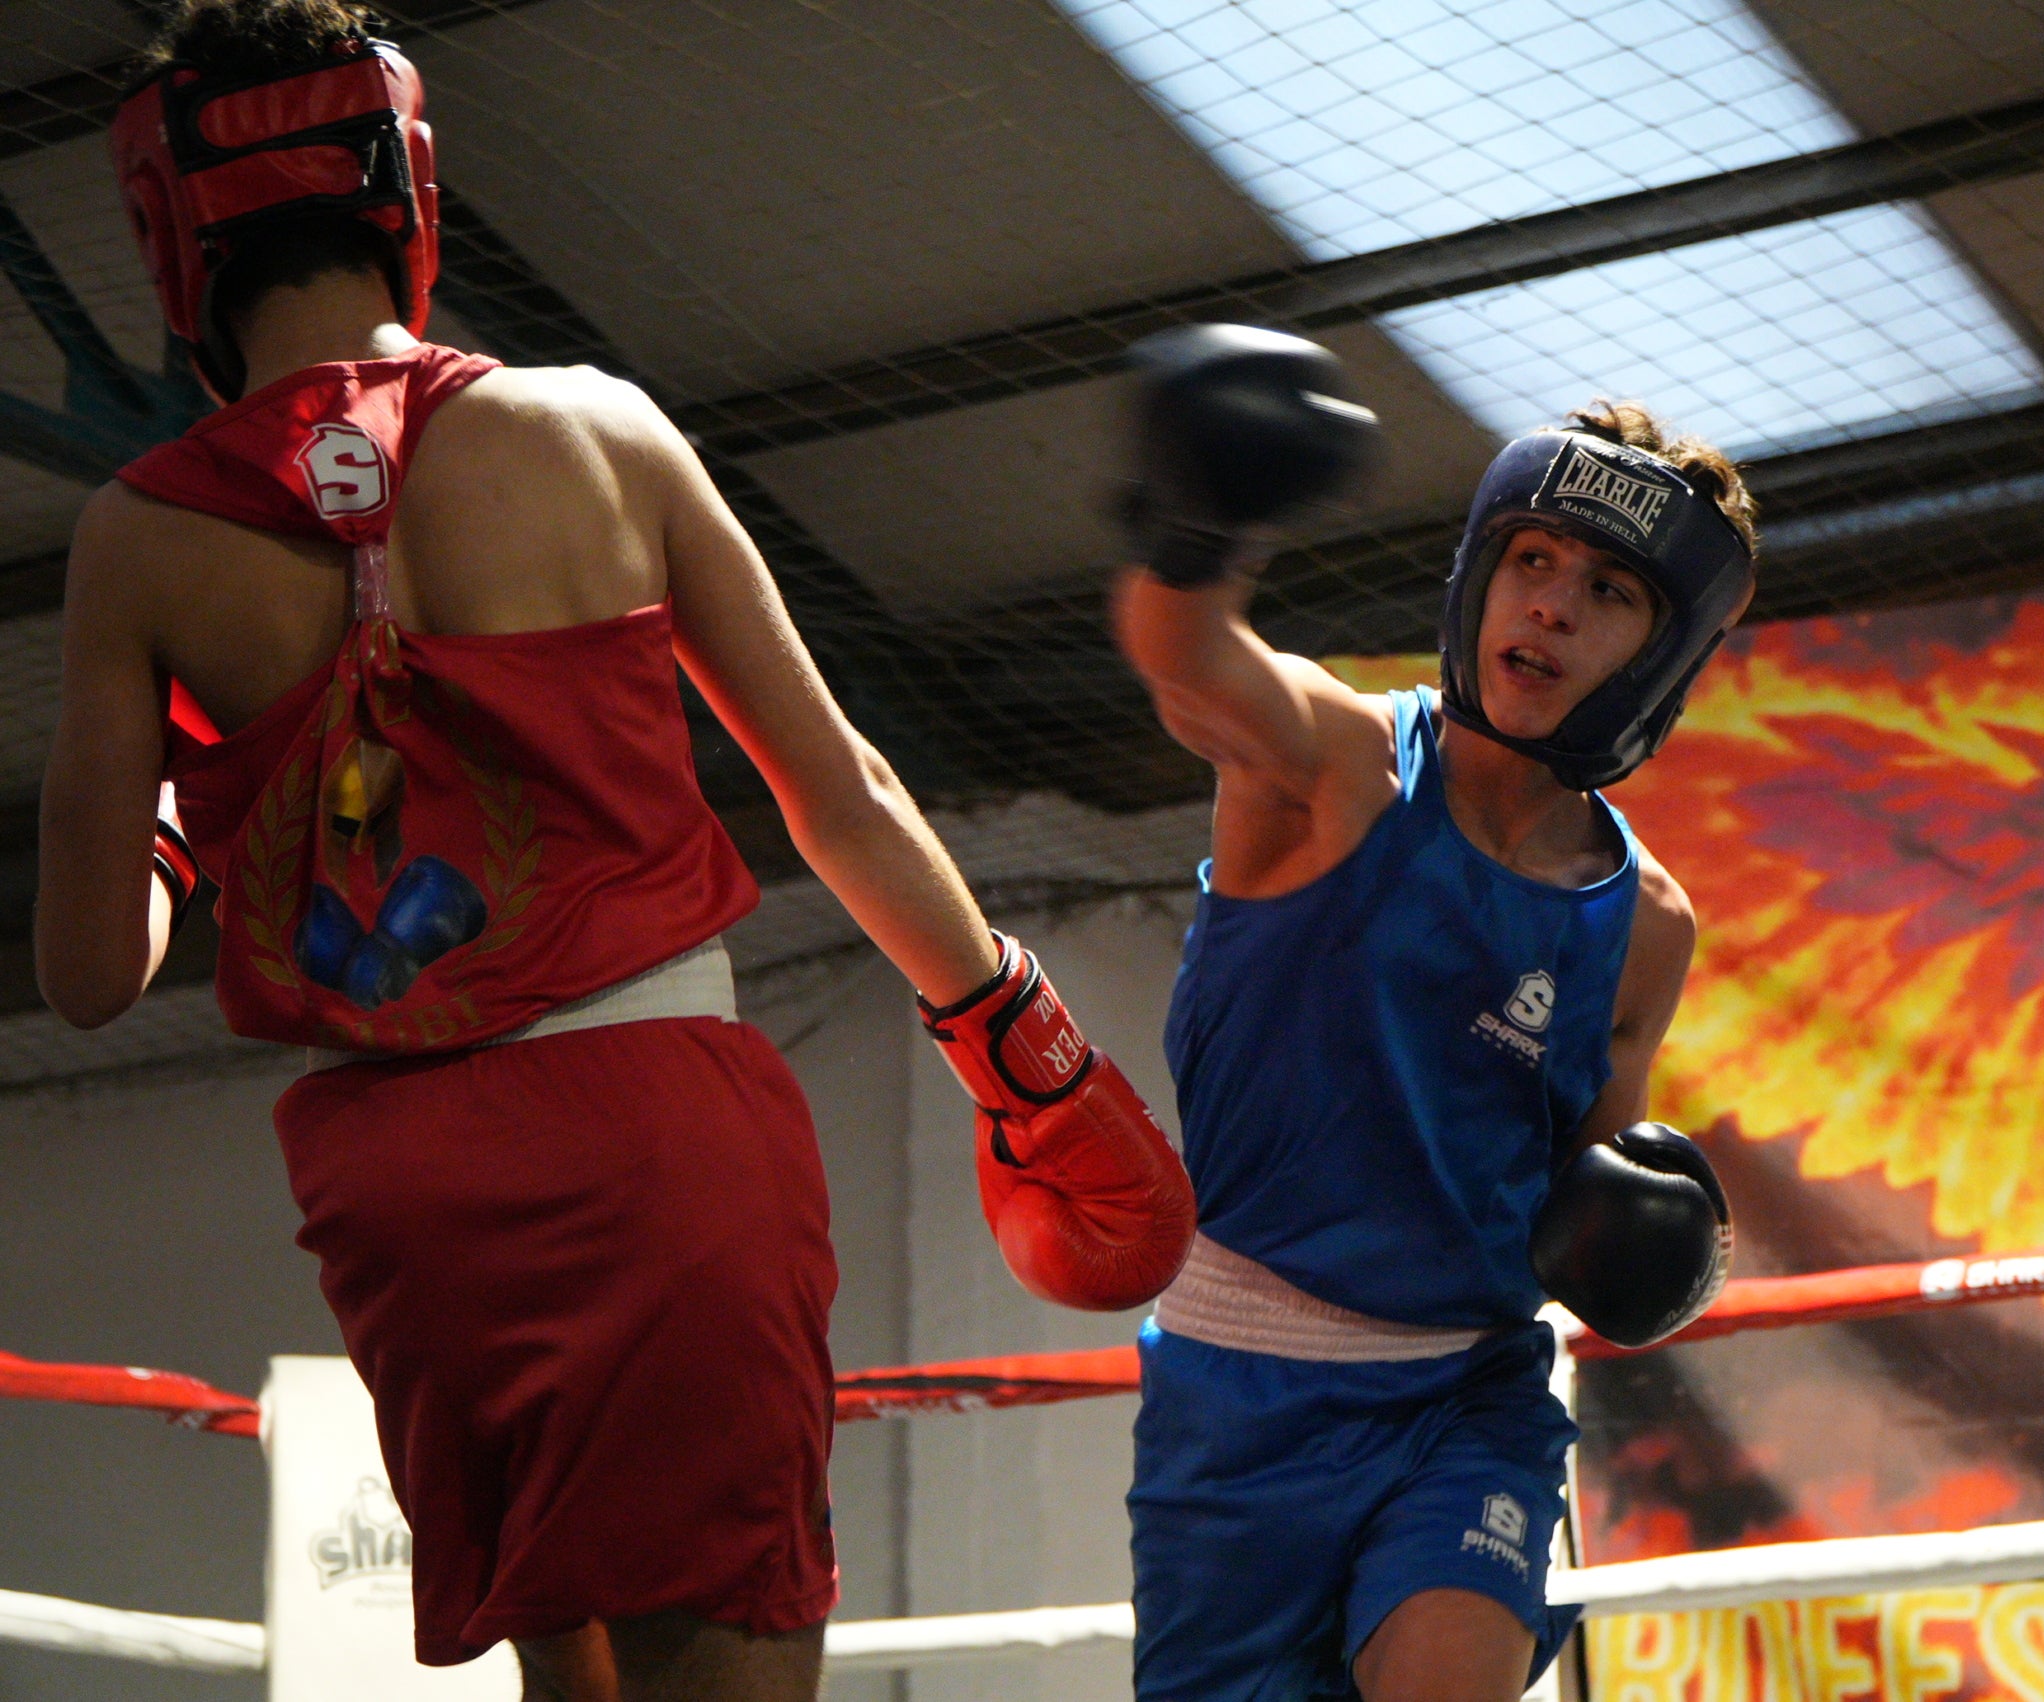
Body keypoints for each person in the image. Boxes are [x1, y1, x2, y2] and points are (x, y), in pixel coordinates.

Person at [38, 6, 1189, 1697]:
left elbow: (84, 979)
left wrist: (172, 794)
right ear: (402, 190)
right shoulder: (598, 428)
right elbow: (841, 790)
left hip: (406, 1196)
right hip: (652, 1129)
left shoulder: (138, 541)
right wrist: (1026, 1052)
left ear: (171, 240)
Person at [1111, 324, 1743, 1702]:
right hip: (1238, 1389)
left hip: (1469, 1397)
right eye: (1533, 561)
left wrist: (1637, 1244)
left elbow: (1582, 1186)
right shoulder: (1339, 765)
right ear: (1480, 576)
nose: (1554, 607)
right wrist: (1201, 519)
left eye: (1609, 590)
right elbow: (1185, 655)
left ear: (1660, 654)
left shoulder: (1646, 928)